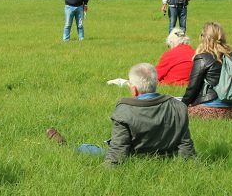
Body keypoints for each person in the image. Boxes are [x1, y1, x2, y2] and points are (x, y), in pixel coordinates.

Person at [47, 63, 195, 165]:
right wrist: (192, 165)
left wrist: (104, 174)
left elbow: (118, 150)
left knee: (91, 148)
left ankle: (67, 147)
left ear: (134, 89)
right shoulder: (178, 107)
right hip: (167, 157)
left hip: (134, 156)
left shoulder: (124, 111)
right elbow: (186, 144)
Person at [181, 21, 232, 118]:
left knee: (170, 108)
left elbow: (192, 88)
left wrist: (181, 106)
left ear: (204, 37)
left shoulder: (203, 58)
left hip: (210, 109)